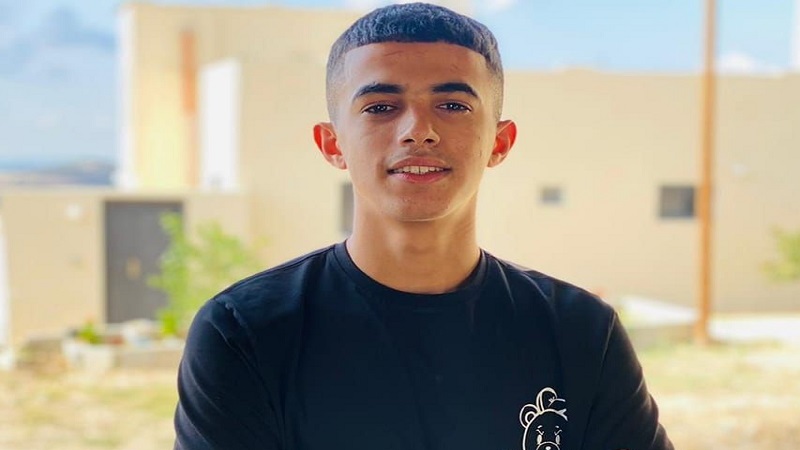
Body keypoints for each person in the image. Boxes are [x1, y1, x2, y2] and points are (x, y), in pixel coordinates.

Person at [173, 3, 674, 450]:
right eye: (380, 107)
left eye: (453, 105)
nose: (419, 130)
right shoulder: (245, 333)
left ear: (499, 142)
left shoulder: (580, 333)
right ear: (332, 144)